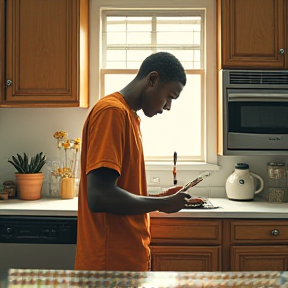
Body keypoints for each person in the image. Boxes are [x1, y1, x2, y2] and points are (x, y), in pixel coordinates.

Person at [74, 52, 191, 272]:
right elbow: (100, 197)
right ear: (153, 79)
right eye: (170, 96)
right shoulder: (112, 112)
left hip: (124, 262)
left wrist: (157, 198)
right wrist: (162, 205)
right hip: (110, 266)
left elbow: (118, 190)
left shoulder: (128, 116)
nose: (168, 107)